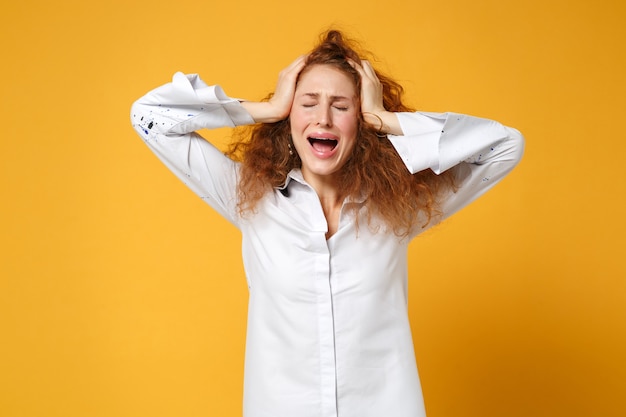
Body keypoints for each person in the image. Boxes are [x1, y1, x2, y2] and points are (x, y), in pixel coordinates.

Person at [130, 30, 524, 417]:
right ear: (289, 116)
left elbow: (505, 146)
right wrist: (266, 109)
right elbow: (148, 116)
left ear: (360, 122)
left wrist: (383, 119)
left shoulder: (398, 210)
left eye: (341, 105)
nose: (323, 118)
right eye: (307, 103)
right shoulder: (249, 198)